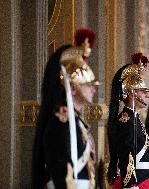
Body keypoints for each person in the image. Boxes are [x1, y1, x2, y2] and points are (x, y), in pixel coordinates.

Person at [32, 28, 98, 189]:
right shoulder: (60, 123)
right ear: (72, 87)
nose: (93, 89)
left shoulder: (78, 122)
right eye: (87, 83)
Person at [107, 53, 149, 189]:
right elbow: (127, 158)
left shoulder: (135, 119)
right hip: (135, 184)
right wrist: (131, 186)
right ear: (132, 93)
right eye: (142, 91)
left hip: (143, 181)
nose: (146, 94)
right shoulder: (126, 121)